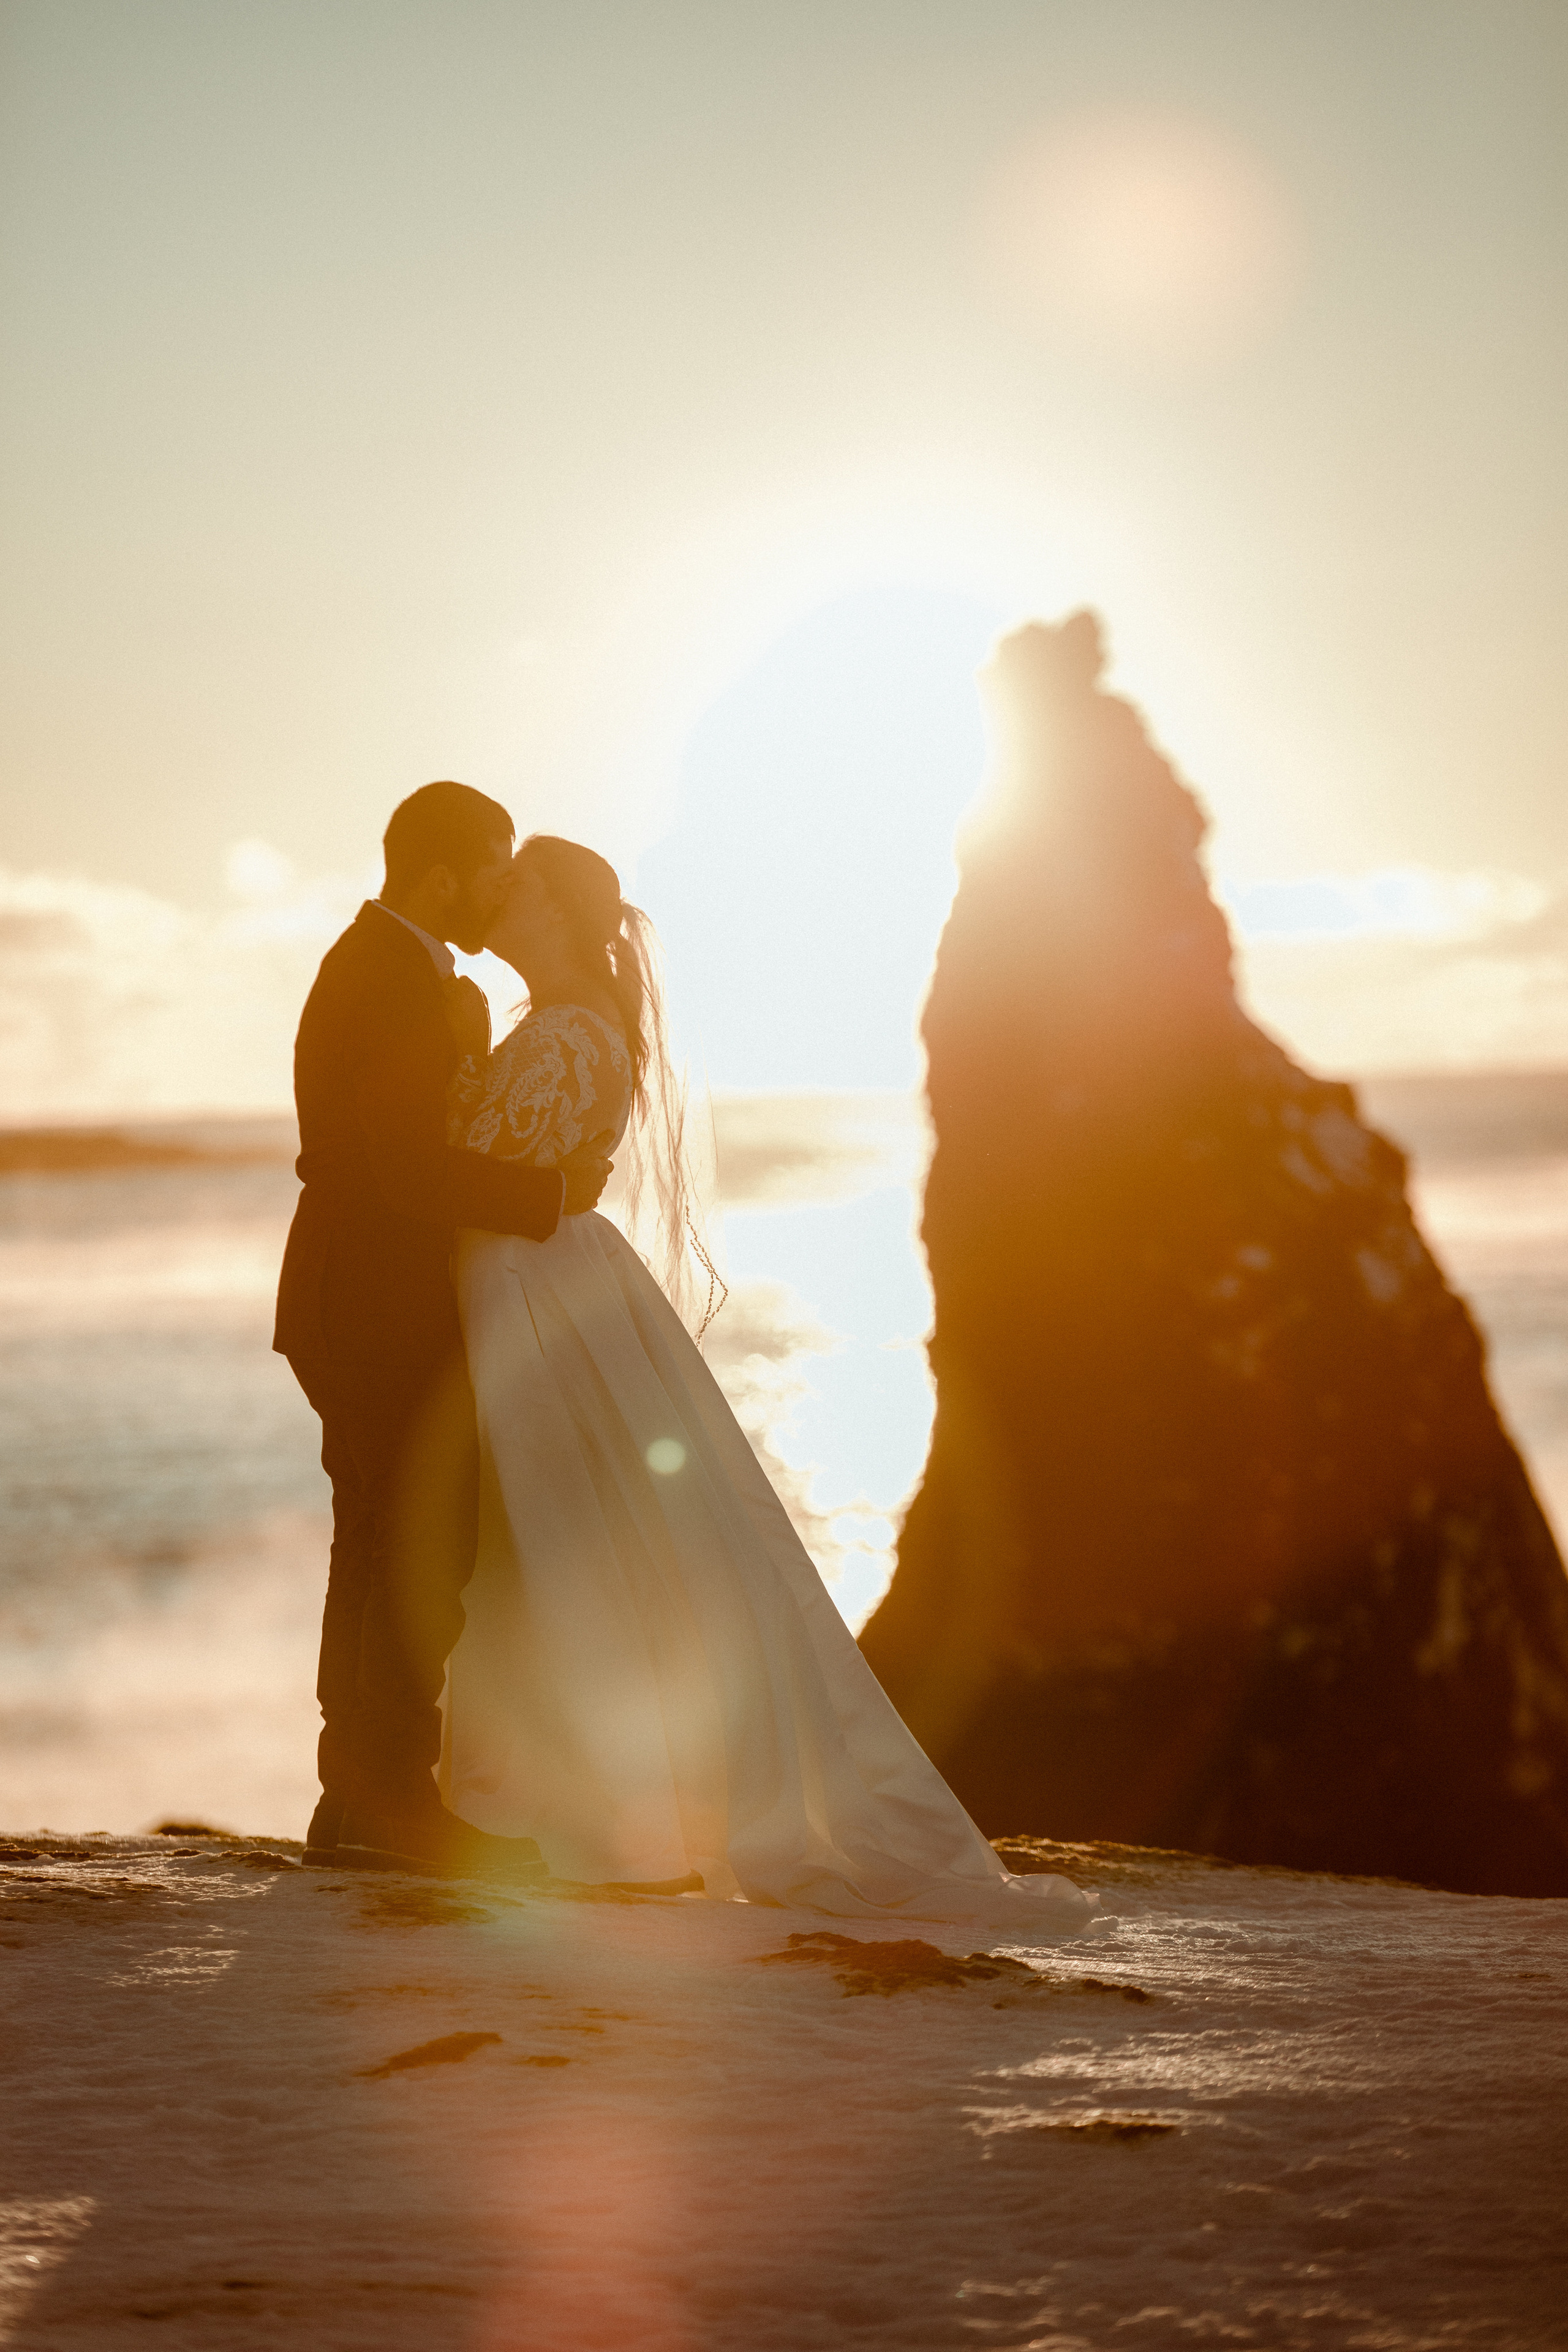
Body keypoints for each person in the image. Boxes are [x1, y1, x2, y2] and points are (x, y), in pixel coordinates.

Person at [439, 832, 1096, 1929]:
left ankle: (583, 1809)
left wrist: (452, 1053)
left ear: (556, 909)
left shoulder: (560, 1036)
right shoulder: (569, 1027)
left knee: (562, 1531)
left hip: (533, 1290)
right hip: (550, 1279)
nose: (496, 897)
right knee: (579, 1538)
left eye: (516, 885)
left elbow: (471, 1165)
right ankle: (567, 1802)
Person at [273, 783, 614, 1880]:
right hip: (371, 1301)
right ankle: (387, 1805)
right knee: (417, 1545)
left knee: (378, 1539)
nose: (502, 888)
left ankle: (357, 1801)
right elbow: (408, 1172)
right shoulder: (391, 977)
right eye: (493, 867)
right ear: (441, 876)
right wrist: (552, 1196)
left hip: (355, 1295)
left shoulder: (399, 970)